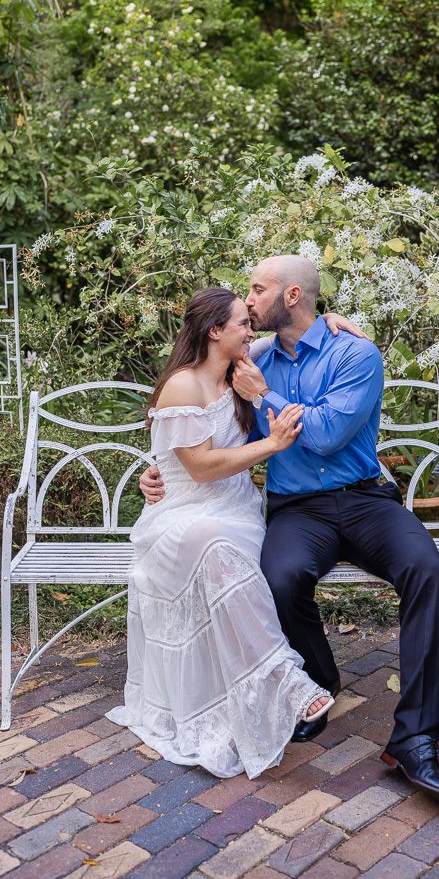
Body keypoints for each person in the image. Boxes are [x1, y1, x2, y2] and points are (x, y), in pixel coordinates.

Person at [141, 256, 439, 806]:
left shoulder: (354, 352)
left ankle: (416, 738)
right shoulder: (255, 352)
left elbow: (328, 435)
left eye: (257, 291)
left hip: (365, 500)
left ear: (290, 297)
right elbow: (194, 407)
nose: (249, 301)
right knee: (279, 577)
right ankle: (317, 680)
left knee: (425, 569)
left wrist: (265, 395)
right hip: (296, 509)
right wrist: (164, 471)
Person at [106, 287, 337, 779]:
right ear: (215, 332)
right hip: (181, 516)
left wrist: (336, 319)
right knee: (210, 542)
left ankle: (271, 686)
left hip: (237, 513)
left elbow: (297, 326)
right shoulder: (182, 386)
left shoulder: (239, 366)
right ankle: (287, 683)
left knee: (220, 543)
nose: (251, 331)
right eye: (242, 324)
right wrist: (273, 445)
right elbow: (202, 469)